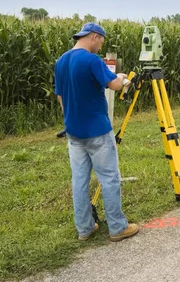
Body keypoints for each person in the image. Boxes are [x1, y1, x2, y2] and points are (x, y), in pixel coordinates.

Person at [54, 22, 139, 242]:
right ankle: (118, 228)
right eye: (101, 40)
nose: (101, 46)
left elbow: (60, 96)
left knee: (79, 181)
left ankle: (84, 228)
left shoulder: (61, 61)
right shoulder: (92, 60)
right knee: (110, 178)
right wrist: (122, 78)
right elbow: (115, 86)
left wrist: (69, 119)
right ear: (94, 36)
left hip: (73, 132)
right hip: (98, 132)